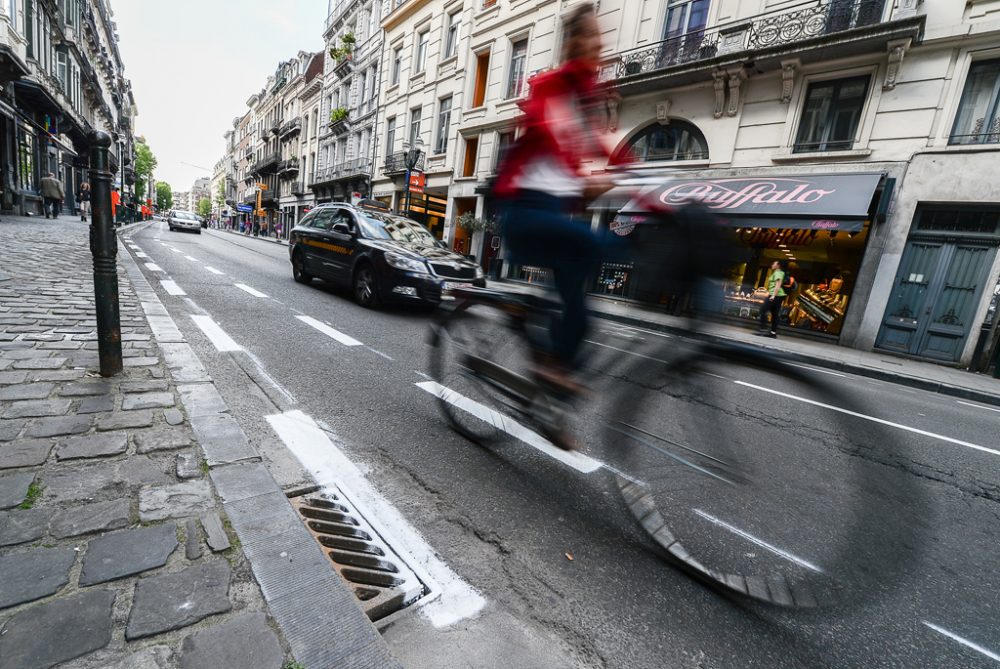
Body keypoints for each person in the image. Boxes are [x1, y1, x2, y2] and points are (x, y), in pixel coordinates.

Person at [494, 2, 616, 404]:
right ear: (573, 43)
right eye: (590, 35)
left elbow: (608, 150)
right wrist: (584, 179)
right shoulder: (551, 87)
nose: (598, 42)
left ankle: (547, 403)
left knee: (581, 318)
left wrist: (661, 197)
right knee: (594, 244)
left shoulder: (588, 99)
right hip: (525, 211)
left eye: (600, 35)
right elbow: (552, 130)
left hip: (554, 215)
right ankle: (548, 365)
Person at [756, 260, 788, 338]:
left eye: (774, 263)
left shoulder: (778, 273)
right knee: (774, 314)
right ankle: (773, 333)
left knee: (763, 309)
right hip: (778, 295)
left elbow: (778, 285)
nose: (772, 264)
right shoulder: (779, 272)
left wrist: (773, 296)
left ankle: (763, 329)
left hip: (776, 295)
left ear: (778, 265)